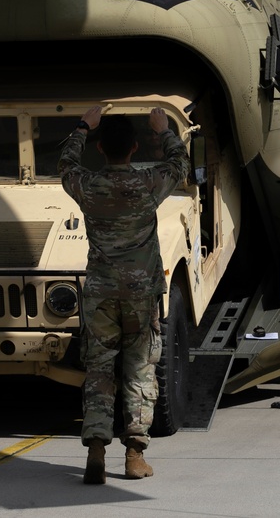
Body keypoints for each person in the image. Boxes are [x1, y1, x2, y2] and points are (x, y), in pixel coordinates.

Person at [59, 105, 189, 484]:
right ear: (134, 148)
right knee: (139, 369)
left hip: (100, 294)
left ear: (100, 149)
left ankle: (97, 450)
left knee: (99, 370)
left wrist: (84, 126)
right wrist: (163, 130)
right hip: (140, 296)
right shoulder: (149, 183)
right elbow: (179, 163)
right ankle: (134, 455)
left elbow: (65, 163)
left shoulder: (86, 185)